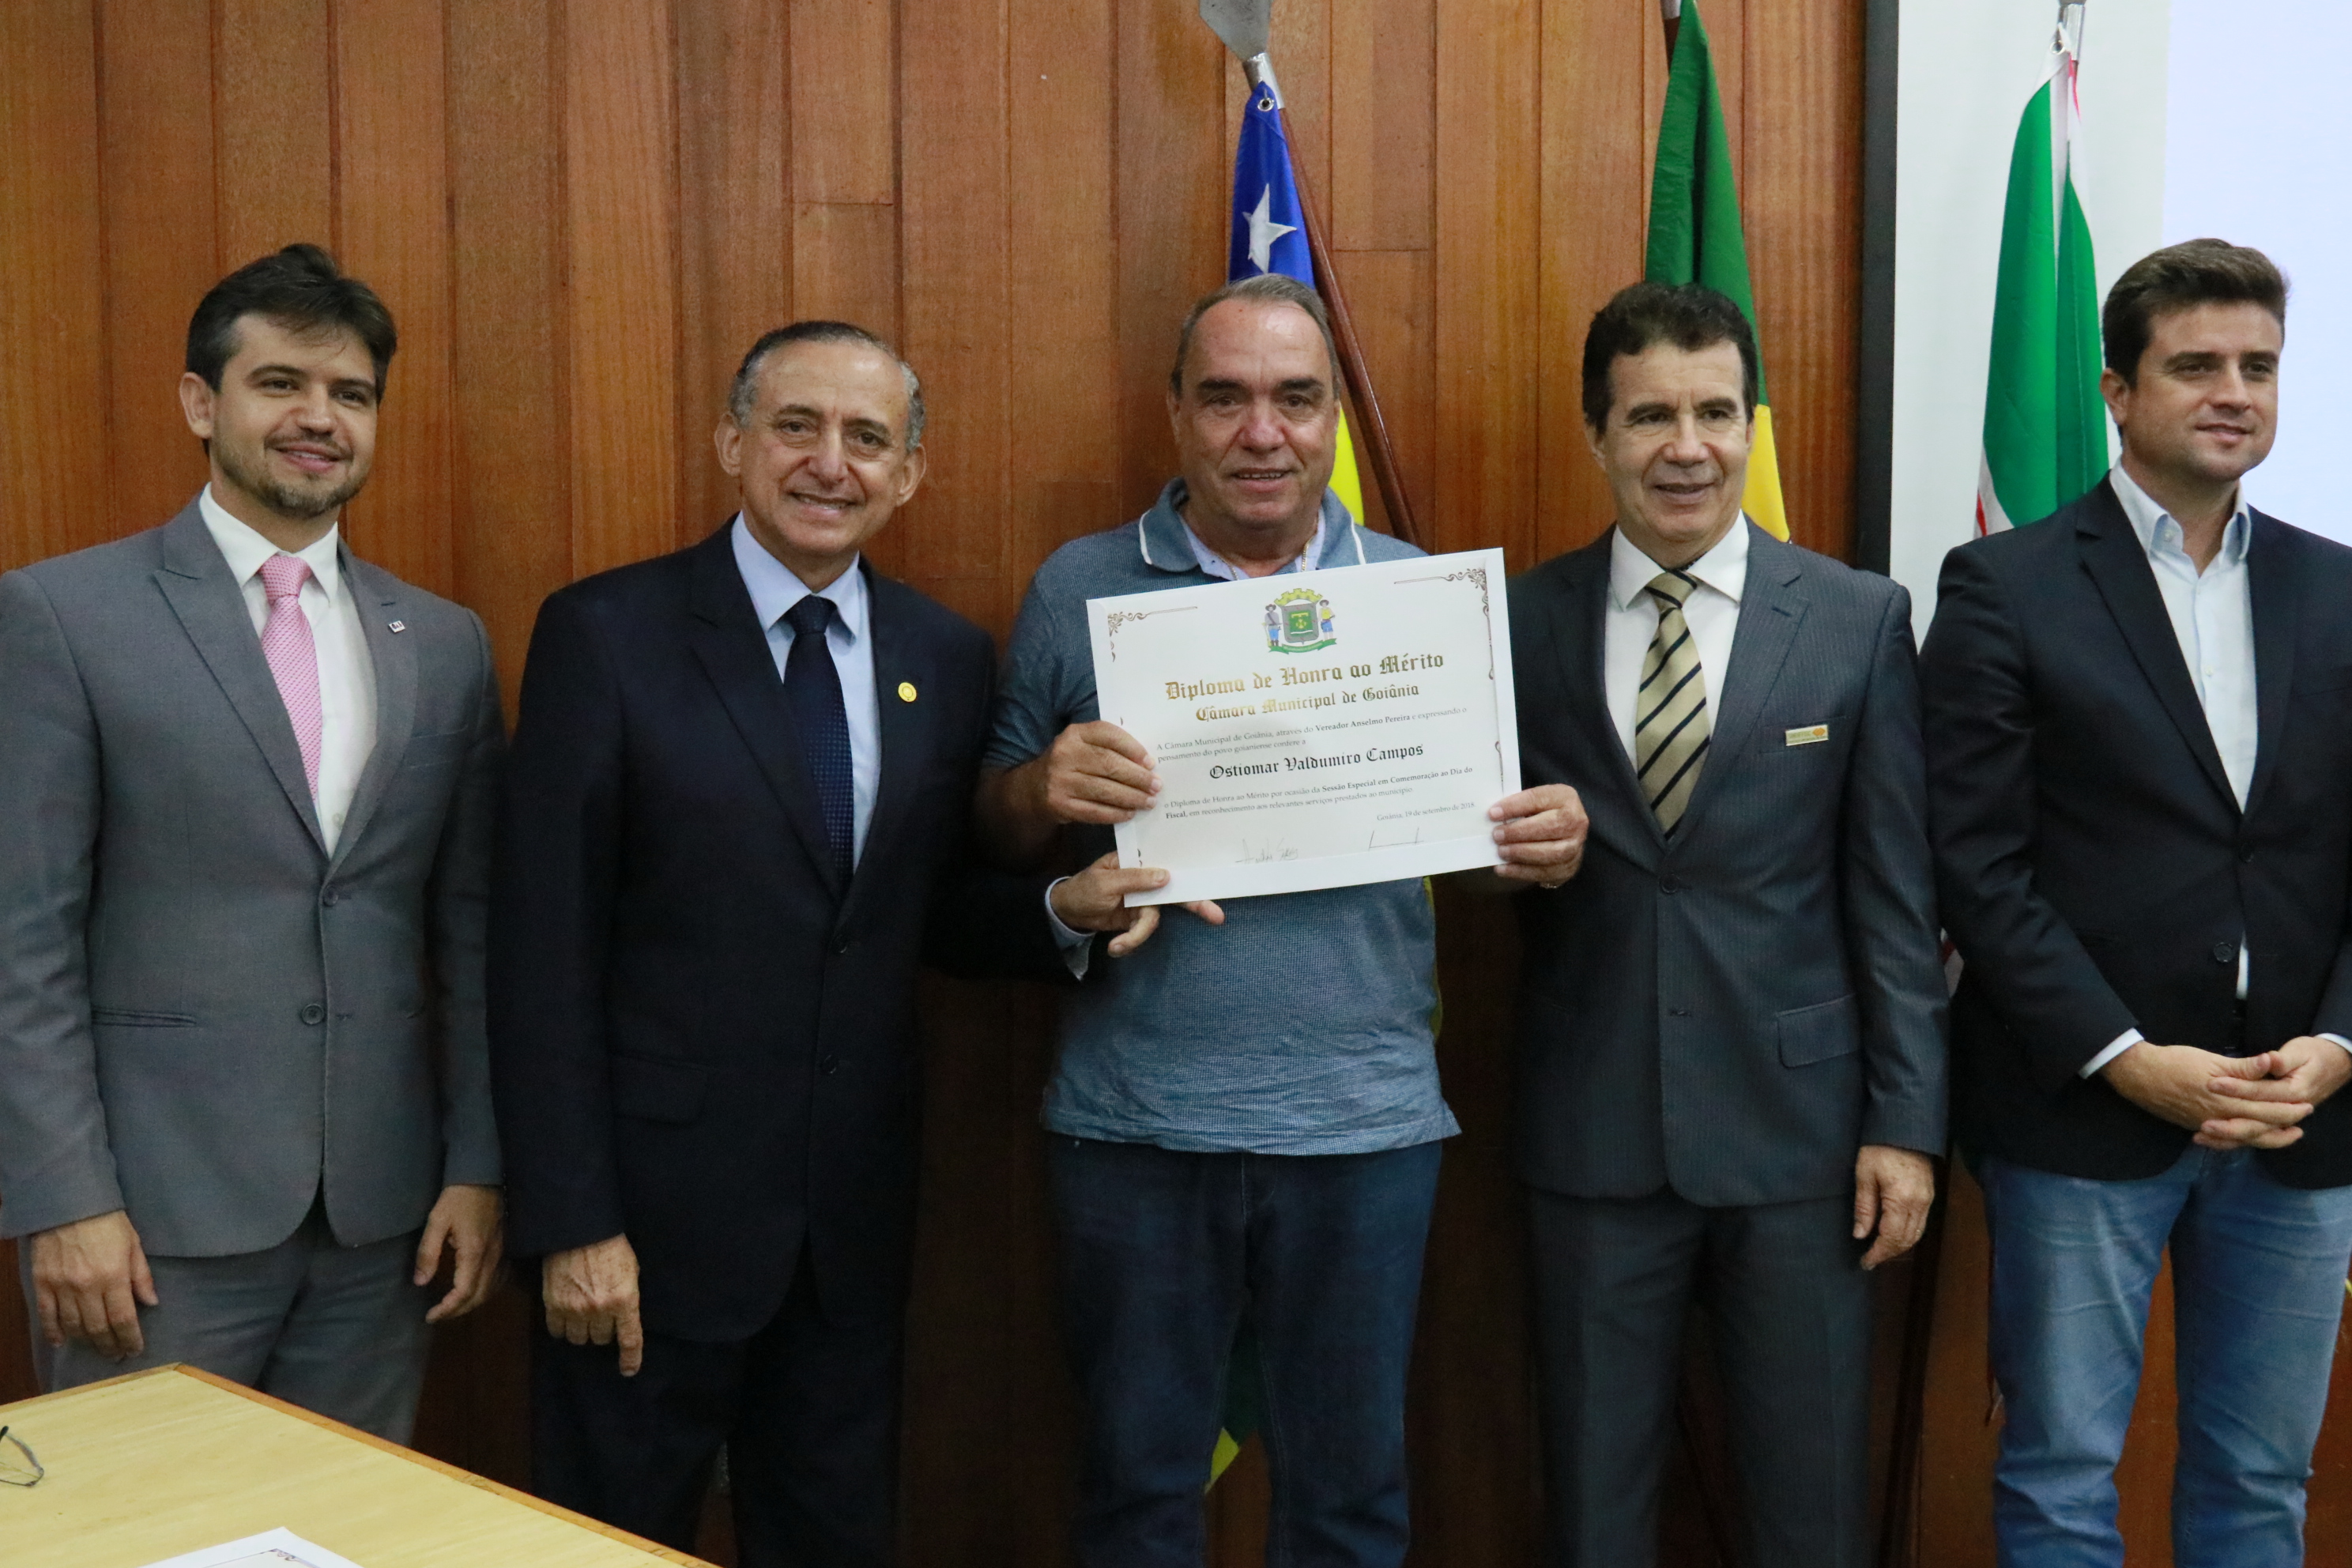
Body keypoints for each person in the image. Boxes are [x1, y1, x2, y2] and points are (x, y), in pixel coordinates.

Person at [489, 320, 1146, 1566]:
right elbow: (541, 952)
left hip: (847, 1230)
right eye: (797, 426)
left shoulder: (943, 657)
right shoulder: (606, 634)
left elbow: (920, 912)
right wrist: (571, 1220)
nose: (830, 464)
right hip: (644, 1233)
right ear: (732, 442)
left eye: (867, 438)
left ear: (909, 474)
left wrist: (1062, 910)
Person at [977, 272, 1582, 1567]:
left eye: (1296, 399)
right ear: (1176, 414)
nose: (1263, 432)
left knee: (1350, 1504)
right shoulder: (1079, 586)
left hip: (1364, 1126)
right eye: (1226, 398)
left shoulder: (1419, 593)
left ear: (1332, 421)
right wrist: (1042, 790)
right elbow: (992, 826)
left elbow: (1467, 848)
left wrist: (1535, 848)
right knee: (1136, 1494)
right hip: (1136, 1125)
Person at [0, 244, 505, 1442]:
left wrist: (477, 1165)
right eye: (280, 383)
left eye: (351, 394)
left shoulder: (444, 643)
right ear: (201, 402)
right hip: (147, 1224)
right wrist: (62, 1198)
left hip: (383, 1220)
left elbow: (474, 935)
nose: (319, 418)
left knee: (343, 1525)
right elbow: (22, 939)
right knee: (143, 1523)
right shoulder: (63, 616)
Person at [1504, 281, 1947, 1567]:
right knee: (1593, 1516)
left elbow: (1895, 897)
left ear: (1753, 425)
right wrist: (1508, 864)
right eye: (1650, 416)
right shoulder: (1518, 621)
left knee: (1813, 1516)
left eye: (1715, 412)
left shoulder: (1859, 619)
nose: (1686, 447)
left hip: (1805, 1145)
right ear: (1597, 433)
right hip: (1591, 1134)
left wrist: (1906, 1126)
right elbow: (1465, 860)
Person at [1923, 239, 2352, 1566]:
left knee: (2261, 1483)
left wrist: (2340, 1045)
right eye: (2197, 365)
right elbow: (1976, 867)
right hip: (2083, 1117)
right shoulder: (2007, 586)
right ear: (2117, 390)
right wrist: (2125, 1057)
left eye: (2259, 367)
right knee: (2060, 1478)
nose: (2234, 393)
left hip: (2298, 1117)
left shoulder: (2340, 590)